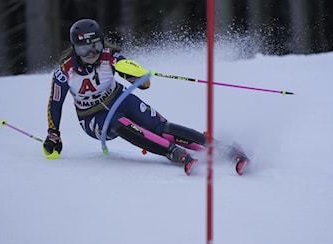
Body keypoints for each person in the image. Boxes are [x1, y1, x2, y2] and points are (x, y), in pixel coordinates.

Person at [43, 19, 249, 175]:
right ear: (74, 49)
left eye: (95, 46)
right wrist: (54, 134)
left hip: (119, 98)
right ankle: (174, 153)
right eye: (84, 48)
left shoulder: (108, 56)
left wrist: (137, 77)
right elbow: (55, 103)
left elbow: (138, 79)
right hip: (91, 117)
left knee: (161, 127)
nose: (91, 53)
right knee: (117, 122)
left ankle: (226, 150)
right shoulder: (65, 71)